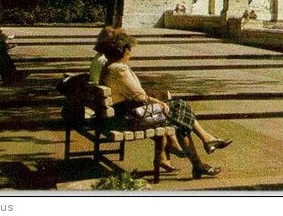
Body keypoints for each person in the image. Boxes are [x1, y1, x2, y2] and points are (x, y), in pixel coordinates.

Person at [99, 30, 231, 178]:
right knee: (180, 107)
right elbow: (139, 96)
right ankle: (205, 144)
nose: (130, 52)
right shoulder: (119, 69)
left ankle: (202, 157)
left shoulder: (109, 67)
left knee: (179, 120)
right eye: (129, 49)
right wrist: (158, 102)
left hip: (121, 115)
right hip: (127, 119)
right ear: (122, 50)